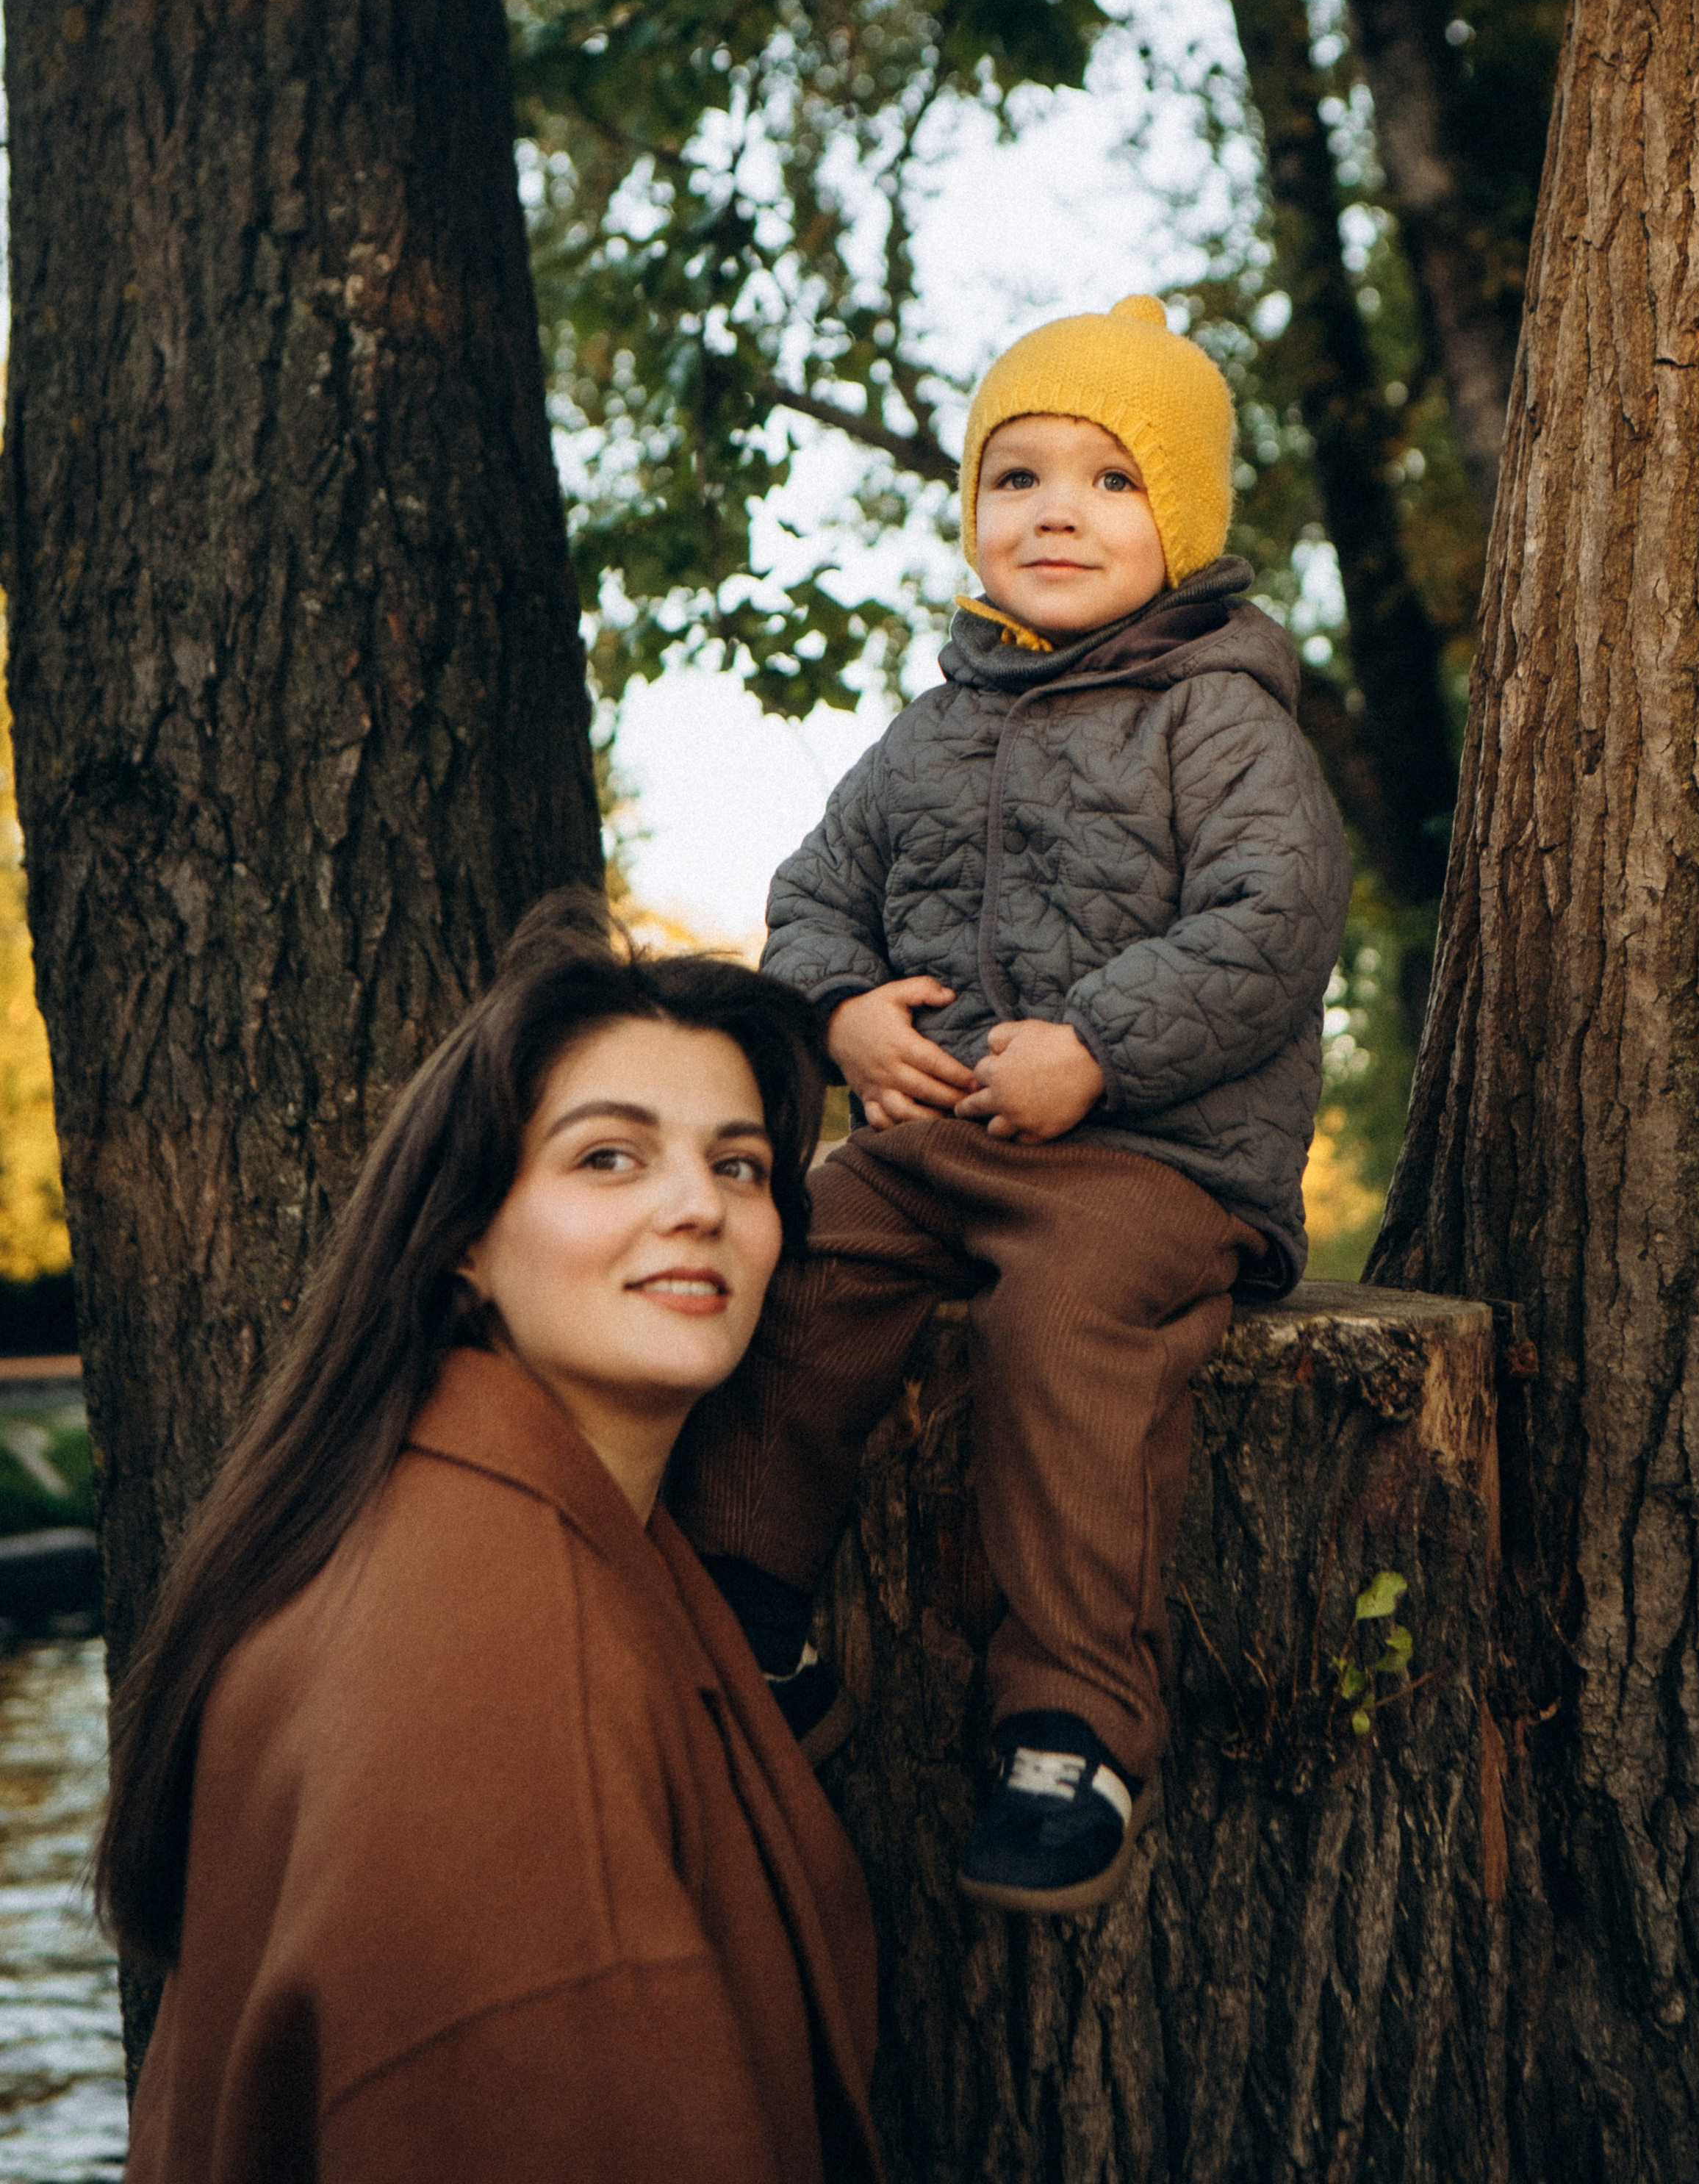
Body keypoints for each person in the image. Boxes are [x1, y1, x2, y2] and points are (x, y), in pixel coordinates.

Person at [672, 293, 1351, 1916]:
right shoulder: (927, 732)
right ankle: (750, 1610)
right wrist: (840, 1011)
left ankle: (1071, 1723)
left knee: (1057, 1333)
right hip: (938, 1145)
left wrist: (1097, 1048)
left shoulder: (1219, 712)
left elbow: (1271, 920)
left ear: (1180, 524)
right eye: (1017, 475)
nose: (1055, 509)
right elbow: (808, 897)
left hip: (1152, 1159)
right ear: (972, 516)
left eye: (1111, 482)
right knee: (802, 1251)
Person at [105, 889, 884, 2184]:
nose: (700, 1205)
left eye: (739, 1164)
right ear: (467, 1236)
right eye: (609, 1157)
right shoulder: (506, 1654)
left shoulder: (456, 1521)